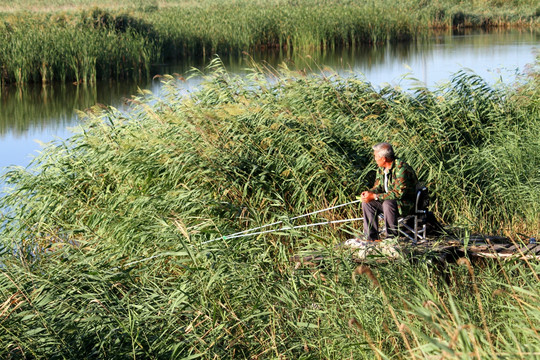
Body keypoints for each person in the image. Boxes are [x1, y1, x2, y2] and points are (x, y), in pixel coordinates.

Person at [360, 142, 418, 241]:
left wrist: (375, 196)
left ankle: (391, 239)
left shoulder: (401, 169)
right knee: (367, 203)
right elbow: (378, 187)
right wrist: (369, 194)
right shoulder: (381, 169)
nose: (374, 159)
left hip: (406, 204)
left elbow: (398, 194)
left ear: (384, 158)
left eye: (375, 156)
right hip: (390, 202)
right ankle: (371, 238)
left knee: (388, 203)